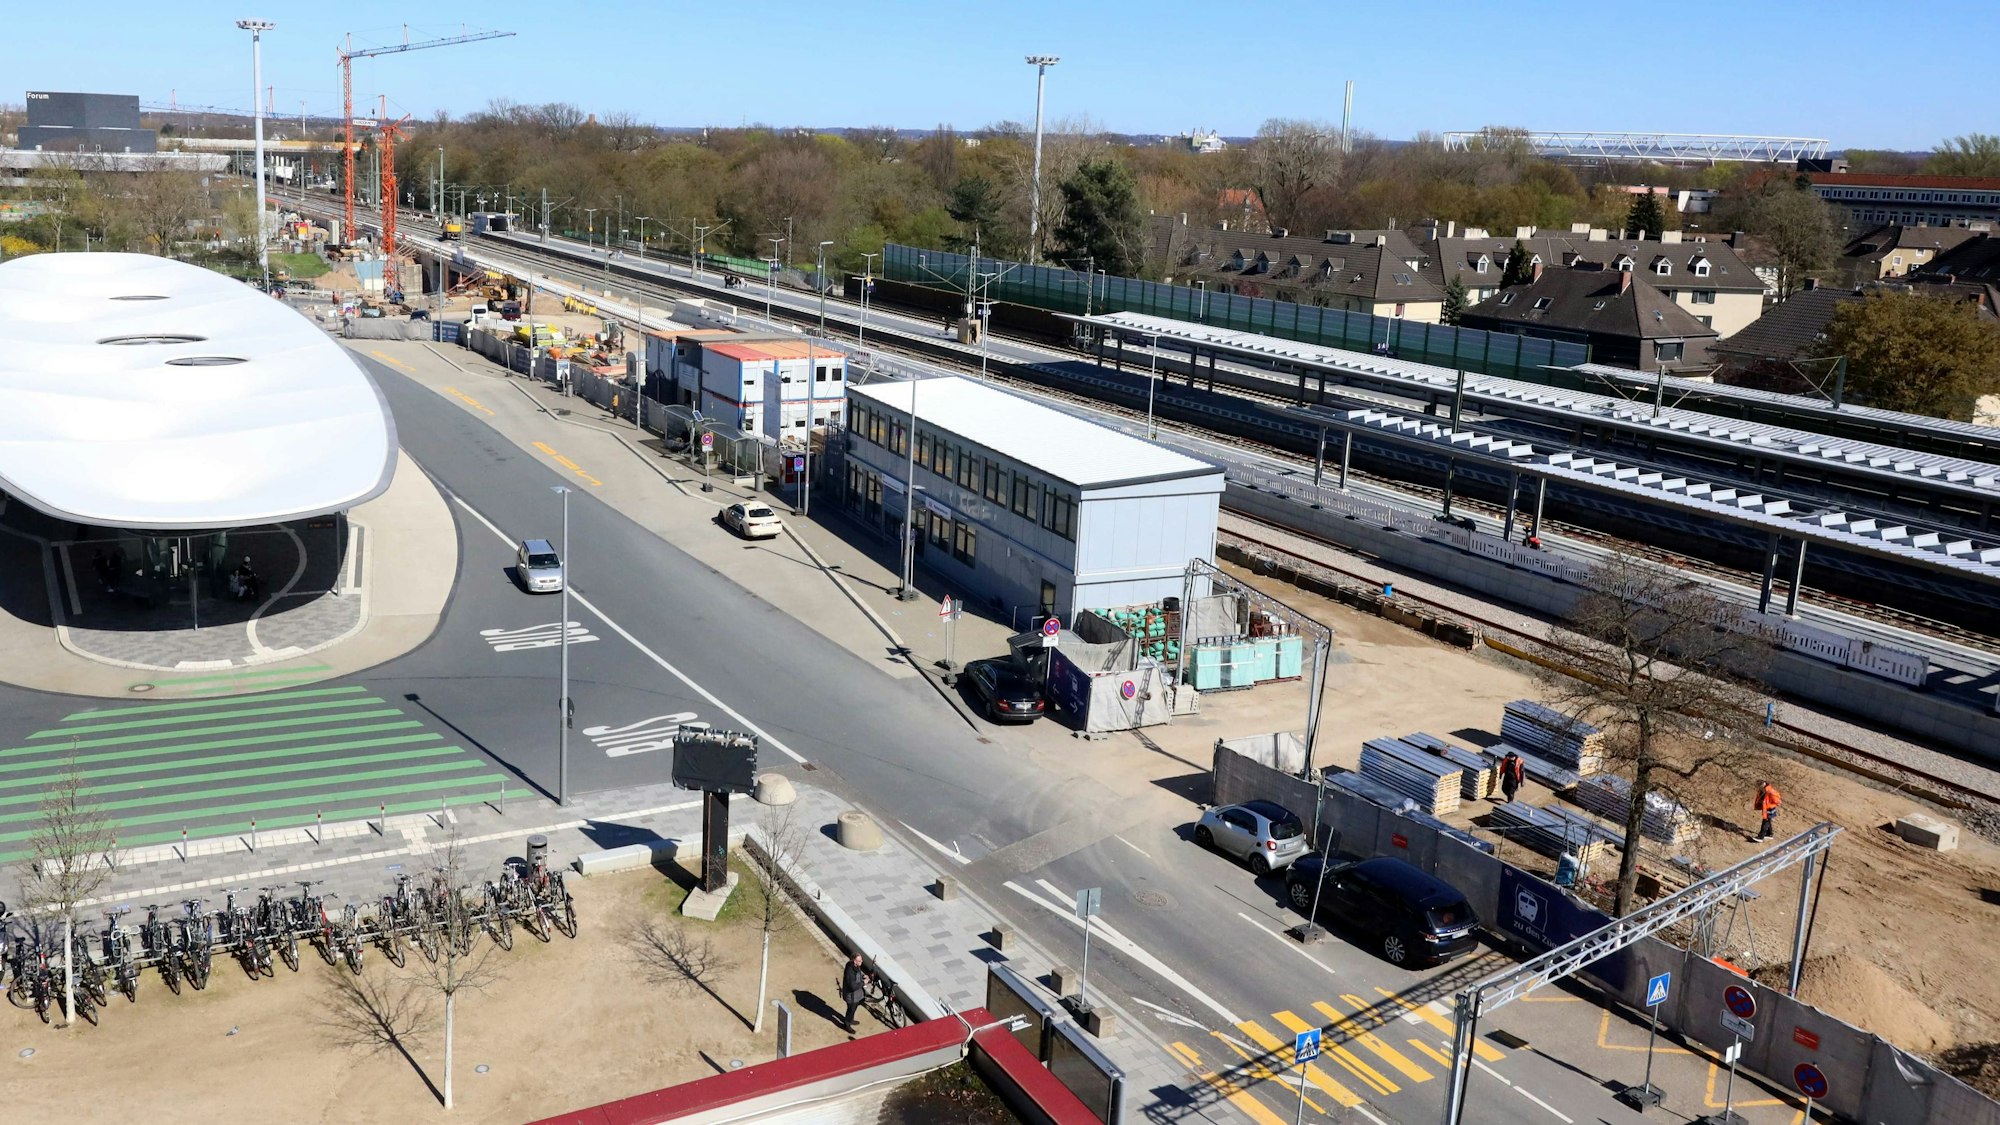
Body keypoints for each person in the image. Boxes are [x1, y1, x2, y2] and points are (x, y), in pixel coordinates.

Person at [839, 952, 871, 1033]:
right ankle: (847, 1024)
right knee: (851, 1010)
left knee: (854, 1008)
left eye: (861, 960)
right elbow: (853, 986)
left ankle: (850, 1019)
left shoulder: (855, 966)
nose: (861, 962)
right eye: (859, 960)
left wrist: (863, 976)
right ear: (854, 961)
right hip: (851, 996)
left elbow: (858, 975)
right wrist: (864, 982)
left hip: (856, 995)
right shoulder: (850, 971)